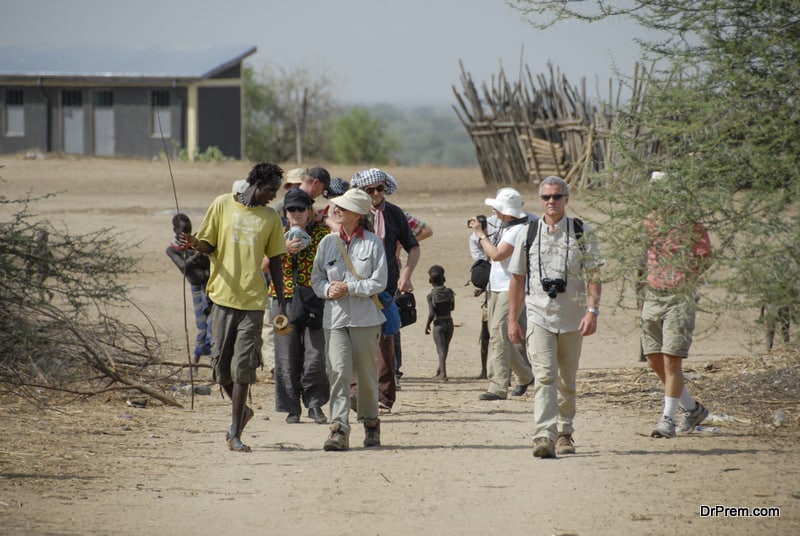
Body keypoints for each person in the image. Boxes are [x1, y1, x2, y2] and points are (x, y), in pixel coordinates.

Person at [179, 162, 287, 453]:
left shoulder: (270, 218)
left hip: (252, 302)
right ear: (257, 183)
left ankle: (235, 432)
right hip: (221, 298)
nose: (273, 196)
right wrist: (193, 243)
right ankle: (243, 414)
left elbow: (276, 259)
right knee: (220, 371)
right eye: (271, 190)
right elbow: (209, 244)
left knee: (243, 370)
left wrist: (282, 302)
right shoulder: (222, 204)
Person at [508, 176, 603, 458]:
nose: (551, 202)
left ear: (566, 199)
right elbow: (516, 278)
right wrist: (513, 319)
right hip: (538, 315)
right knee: (545, 376)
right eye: (546, 197)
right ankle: (543, 436)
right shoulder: (528, 233)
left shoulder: (582, 231)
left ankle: (565, 433)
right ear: (540, 200)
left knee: (567, 380)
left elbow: (594, 275)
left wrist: (592, 311)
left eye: (557, 197)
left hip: (573, 318)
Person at [311, 188, 388, 451]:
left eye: (343, 207)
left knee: (366, 376)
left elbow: (379, 282)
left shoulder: (373, 243)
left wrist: (349, 287)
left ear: (358, 213)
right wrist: (325, 290)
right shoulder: (327, 243)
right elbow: (317, 278)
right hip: (334, 319)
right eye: (336, 206)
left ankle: (370, 424)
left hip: (366, 320)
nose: (336, 210)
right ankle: (338, 429)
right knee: (338, 372)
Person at [641, 171, 712, 439]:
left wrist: (688, 277)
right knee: (653, 358)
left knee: (672, 360)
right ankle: (692, 409)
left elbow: (706, 255)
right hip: (653, 294)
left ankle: (667, 419)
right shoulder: (648, 220)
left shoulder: (690, 223)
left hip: (679, 297)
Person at [350, 168, 420, 414]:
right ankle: (355, 393)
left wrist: (406, 275)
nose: (376, 193)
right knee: (354, 341)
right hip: (355, 289)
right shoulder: (353, 213)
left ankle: (384, 397)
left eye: (380, 188)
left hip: (386, 289)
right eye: (370, 190)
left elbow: (413, 246)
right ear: (361, 191)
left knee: (385, 343)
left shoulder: (395, 214)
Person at [268, 189, 330, 425]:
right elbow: (262, 265)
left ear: (309, 211)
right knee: (286, 356)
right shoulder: (276, 234)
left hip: (315, 300)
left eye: (300, 209)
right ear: (284, 212)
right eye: (291, 209)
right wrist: (283, 249)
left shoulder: (323, 233)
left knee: (316, 357)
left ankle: (315, 405)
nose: (295, 214)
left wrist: (322, 219)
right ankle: (291, 408)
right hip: (283, 301)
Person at [469, 188, 535, 401]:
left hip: (511, 288)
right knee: (499, 335)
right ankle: (525, 375)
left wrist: (480, 234)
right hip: (497, 286)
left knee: (498, 333)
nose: (494, 212)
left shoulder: (518, 230)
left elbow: (497, 254)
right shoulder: (510, 227)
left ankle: (498, 385)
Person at [165, 213, 212, 363]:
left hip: (210, 285)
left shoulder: (195, 243)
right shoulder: (172, 249)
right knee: (202, 325)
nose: (187, 235)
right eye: (184, 231)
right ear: (175, 230)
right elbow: (183, 266)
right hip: (197, 287)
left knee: (212, 323)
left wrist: (199, 249)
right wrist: (197, 254)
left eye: (189, 231)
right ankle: (196, 361)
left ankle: (213, 360)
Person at [425, 265, 455, 380]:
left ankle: (443, 373)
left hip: (438, 323)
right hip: (449, 321)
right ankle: (440, 369)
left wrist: (427, 324)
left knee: (440, 348)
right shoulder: (450, 292)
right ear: (444, 279)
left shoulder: (431, 296)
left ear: (430, 281)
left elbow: (432, 313)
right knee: (445, 347)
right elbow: (452, 308)